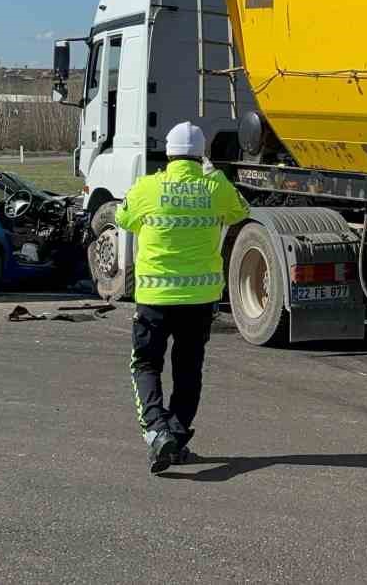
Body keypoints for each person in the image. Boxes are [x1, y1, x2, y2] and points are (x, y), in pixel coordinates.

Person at [117, 121, 249, 474]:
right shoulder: (214, 187)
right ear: (201, 155)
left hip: (154, 298)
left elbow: (123, 217)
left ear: (168, 152)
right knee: (188, 370)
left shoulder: (148, 187)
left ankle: (158, 432)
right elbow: (241, 211)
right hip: (199, 300)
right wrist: (216, 177)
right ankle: (173, 437)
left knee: (145, 365)